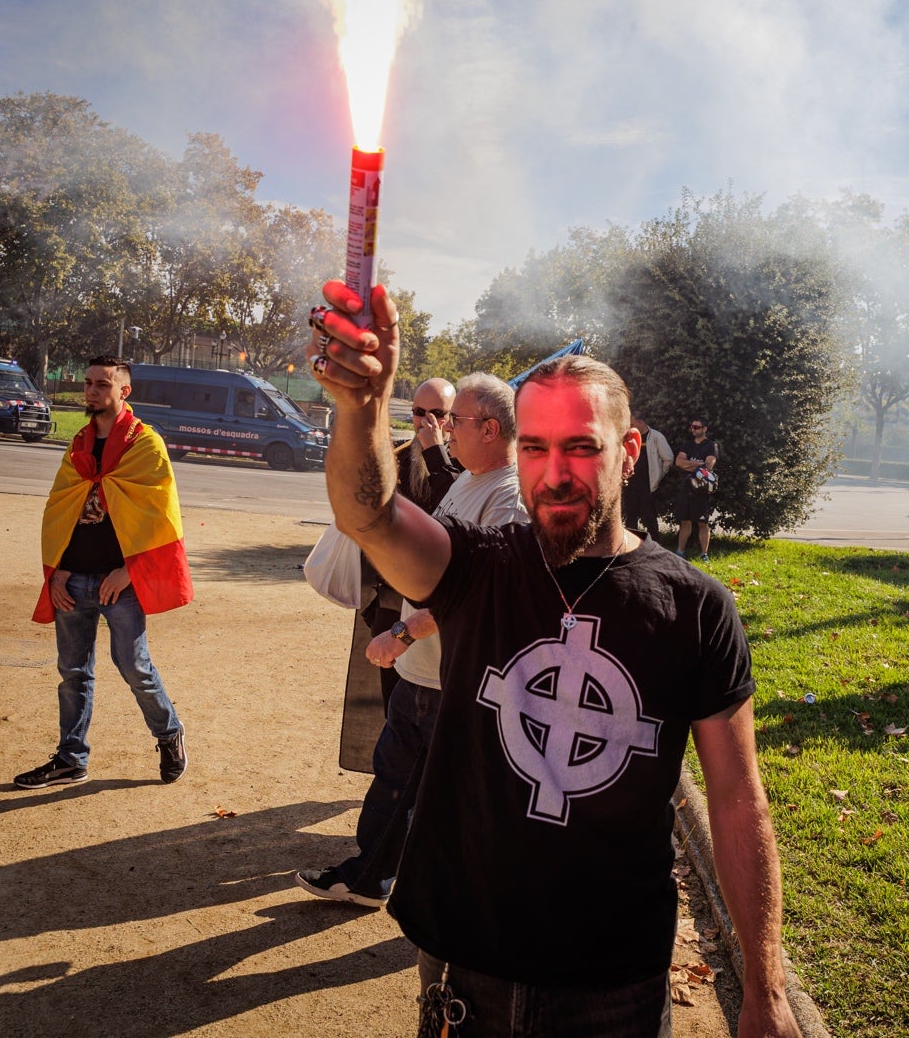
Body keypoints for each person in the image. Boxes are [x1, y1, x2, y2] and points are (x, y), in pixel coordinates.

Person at [307, 285, 801, 1038]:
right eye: (534, 448)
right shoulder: (479, 568)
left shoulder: (697, 609)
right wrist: (363, 406)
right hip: (464, 963)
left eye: (581, 447)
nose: (554, 472)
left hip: (615, 984)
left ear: (628, 452)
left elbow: (736, 802)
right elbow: (367, 514)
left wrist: (765, 991)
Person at [297, 373, 526, 908]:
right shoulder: (472, 477)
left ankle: (388, 880)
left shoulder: (509, 498)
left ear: (489, 429)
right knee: (403, 780)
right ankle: (377, 875)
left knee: (415, 784)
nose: (444, 430)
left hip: (449, 677)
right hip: (425, 671)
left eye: (456, 421)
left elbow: (474, 593)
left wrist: (402, 631)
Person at [15, 356, 193, 789]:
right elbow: (62, 512)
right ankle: (71, 758)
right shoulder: (77, 445)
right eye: (89, 383)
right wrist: (58, 571)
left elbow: (159, 519)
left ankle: (169, 735)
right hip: (72, 580)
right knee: (73, 671)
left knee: (134, 665)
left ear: (123, 391)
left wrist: (129, 572)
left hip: (120, 583)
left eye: (103, 384)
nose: (92, 391)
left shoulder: (145, 446)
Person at [361, 377, 462, 711]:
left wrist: (435, 452)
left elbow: (455, 511)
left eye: (437, 413)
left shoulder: (462, 461)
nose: (427, 421)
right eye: (420, 412)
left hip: (435, 608)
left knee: (432, 700)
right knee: (394, 700)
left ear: (452, 419)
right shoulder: (400, 456)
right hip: (391, 596)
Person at [621, 410, 673, 538]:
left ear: (640, 422)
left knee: (649, 516)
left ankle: (654, 543)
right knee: (631, 516)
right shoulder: (628, 437)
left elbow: (668, 458)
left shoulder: (656, 437)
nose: (630, 427)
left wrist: (659, 475)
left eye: (632, 424)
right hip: (630, 483)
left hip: (648, 485)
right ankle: (632, 546)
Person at [674, 416, 719, 563]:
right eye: (692, 426)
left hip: (701, 489)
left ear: (704, 429)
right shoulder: (687, 445)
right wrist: (697, 464)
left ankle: (704, 554)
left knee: (702, 523)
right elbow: (678, 462)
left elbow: (708, 465)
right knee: (685, 521)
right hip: (687, 487)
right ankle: (680, 552)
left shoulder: (711, 445)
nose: (693, 429)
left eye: (697, 427)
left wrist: (691, 464)